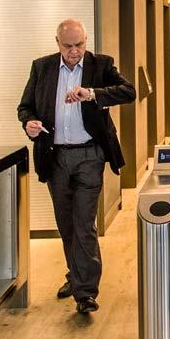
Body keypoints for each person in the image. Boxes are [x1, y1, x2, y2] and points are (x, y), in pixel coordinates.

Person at [17, 19, 136, 314]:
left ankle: (85, 292)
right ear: (57, 43)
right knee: (66, 223)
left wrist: (93, 93)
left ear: (86, 41)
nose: (74, 51)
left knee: (84, 223)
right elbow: (25, 107)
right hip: (55, 156)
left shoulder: (101, 64)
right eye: (68, 45)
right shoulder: (42, 67)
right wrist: (29, 123)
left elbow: (129, 91)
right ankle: (76, 275)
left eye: (79, 45)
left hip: (89, 155)